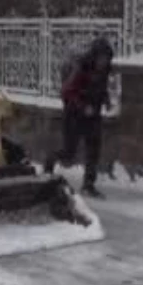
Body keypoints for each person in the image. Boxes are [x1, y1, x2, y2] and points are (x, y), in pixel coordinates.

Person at [45, 37, 115, 199]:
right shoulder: (81, 69)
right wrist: (83, 107)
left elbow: (101, 89)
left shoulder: (104, 71)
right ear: (94, 56)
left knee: (93, 150)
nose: (103, 62)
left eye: (106, 58)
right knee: (69, 152)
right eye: (101, 57)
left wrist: (107, 101)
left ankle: (88, 185)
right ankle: (50, 161)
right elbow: (67, 92)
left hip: (93, 115)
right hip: (74, 115)